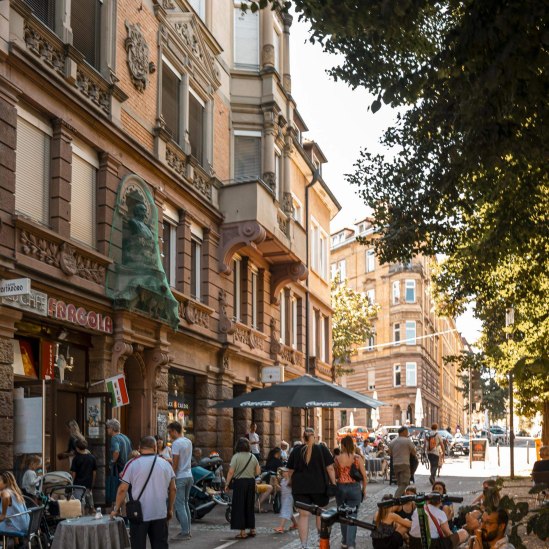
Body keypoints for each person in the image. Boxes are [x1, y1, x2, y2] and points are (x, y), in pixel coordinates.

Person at [111, 436, 176, 549]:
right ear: (155, 447)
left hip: (138, 514)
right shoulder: (166, 464)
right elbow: (173, 489)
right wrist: (170, 509)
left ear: (139, 448)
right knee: (160, 545)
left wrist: (116, 509)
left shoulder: (132, 464)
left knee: (138, 545)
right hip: (160, 512)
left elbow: (122, 489)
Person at [287, 427, 336, 549]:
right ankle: (322, 541)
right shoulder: (322, 449)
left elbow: (290, 471)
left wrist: (289, 481)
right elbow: (330, 468)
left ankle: (304, 545)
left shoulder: (296, 451)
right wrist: (334, 484)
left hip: (300, 487)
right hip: (319, 487)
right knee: (320, 514)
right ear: (315, 437)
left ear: (303, 438)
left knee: (303, 516)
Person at [334, 435, 368, 549]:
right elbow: (364, 476)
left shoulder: (337, 458)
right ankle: (351, 544)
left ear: (342, 445)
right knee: (353, 516)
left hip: (341, 488)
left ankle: (344, 541)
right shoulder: (357, 458)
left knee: (342, 515)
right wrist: (364, 489)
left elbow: (336, 475)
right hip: (354, 488)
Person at [225, 437, 260, 539]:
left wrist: (227, 484)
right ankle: (252, 529)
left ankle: (243, 532)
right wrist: (251, 473)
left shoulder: (236, 457)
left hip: (240, 483)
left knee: (240, 506)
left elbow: (231, 472)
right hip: (251, 482)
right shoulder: (253, 457)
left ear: (238, 446)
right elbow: (258, 472)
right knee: (249, 506)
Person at [168, 421, 193, 541]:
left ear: (174, 430)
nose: (169, 435)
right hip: (189, 475)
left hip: (180, 477)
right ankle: (187, 530)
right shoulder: (188, 441)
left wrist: (170, 476)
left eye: (169, 432)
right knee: (186, 503)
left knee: (179, 505)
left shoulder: (176, 443)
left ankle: (184, 532)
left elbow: (176, 463)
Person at [106, 418, 132, 505]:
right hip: (127, 469)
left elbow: (116, 451)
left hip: (118, 470)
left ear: (112, 428)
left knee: (117, 493)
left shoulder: (114, 438)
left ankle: (116, 512)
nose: (107, 430)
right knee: (125, 493)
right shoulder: (126, 438)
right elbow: (131, 453)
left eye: (108, 428)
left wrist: (112, 461)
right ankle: (124, 515)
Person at [388, 426, 417, 497]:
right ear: (404, 432)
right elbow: (414, 452)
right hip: (404, 464)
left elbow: (390, 453)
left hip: (395, 465)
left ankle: (401, 499)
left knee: (400, 484)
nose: (408, 433)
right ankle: (396, 498)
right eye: (407, 431)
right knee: (405, 483)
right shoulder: (407, 440)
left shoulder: (393, 441)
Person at [70, 439, 97, 513]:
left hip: (78, 484)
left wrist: (71, 483)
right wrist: (92, 483)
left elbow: (74, 473)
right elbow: (94, 472)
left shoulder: (76, 459)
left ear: (77, 448)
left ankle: (82, 519)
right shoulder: (92, 458)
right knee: (89, 501)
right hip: (88, 483)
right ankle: (91, 513)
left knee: (80, 503)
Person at [0, 471, 29, 536]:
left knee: (3, 520)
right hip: (25, 525)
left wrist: (3, 514)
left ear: (6, 483)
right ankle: (16, 543)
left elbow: (5, 496)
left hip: (16, 528)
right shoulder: (15, 492)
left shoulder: (5, 492)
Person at [273, 467, 298, 533]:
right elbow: (280, 489)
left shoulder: (290, 480)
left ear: (288, 472)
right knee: (289, 512)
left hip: (289, 498)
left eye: (284, 471)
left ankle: (281, 527)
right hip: (284, 498)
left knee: (284, 510)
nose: (283, 473)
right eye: (282, 472)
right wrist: (276, 485)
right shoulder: (283, 480)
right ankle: (296, 524)